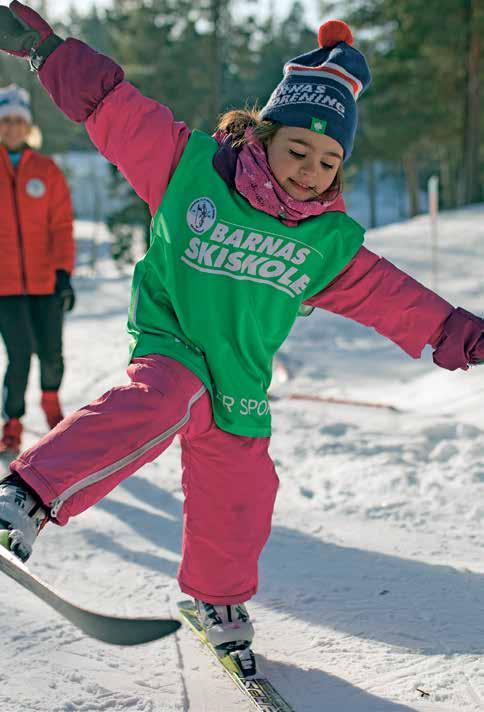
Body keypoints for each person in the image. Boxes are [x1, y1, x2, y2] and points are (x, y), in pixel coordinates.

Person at [0, 1, 483, 659]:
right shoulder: (189, 167)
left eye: (327, 160)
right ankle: (27, 496)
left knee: (243, 492)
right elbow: (113, 107)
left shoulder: (324, 242)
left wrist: (456, 332)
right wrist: (47, 53)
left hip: (241, 380)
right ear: (264, 133)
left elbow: (391, 298)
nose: (309, 169)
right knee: (164, 402)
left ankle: (216, 595)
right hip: (175, 345)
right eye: (298, 149)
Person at [0, 82, 75, 457]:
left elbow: (61, 226)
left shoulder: (46, 171)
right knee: (19, 354)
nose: (12, 127)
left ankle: (50, 403)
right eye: (5, 120)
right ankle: (12, 423)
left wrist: (64, 272)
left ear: (28, 126)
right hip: (5, 285)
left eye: (18, 120)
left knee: (51, 352)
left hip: (46, 281)